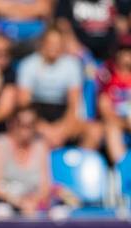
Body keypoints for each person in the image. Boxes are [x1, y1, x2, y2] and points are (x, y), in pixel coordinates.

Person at [16, 26, 101, 149]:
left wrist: (61, 130)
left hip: (63, 113)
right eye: (50, 43)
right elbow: (23, 103)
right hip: (36, 114)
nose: (53, 47)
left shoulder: (72, 65)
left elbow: (74, 104)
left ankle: (75, 164)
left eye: (58, 43)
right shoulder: (28, 65)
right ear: (42, 43)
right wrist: (45, 129)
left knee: (95, 131)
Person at [0, 106, 53, 217]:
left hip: (32, 204)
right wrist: (19, 202)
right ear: (11, 124)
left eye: (30, 125)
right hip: (5, 202)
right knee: (1, 213)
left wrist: (32, 202)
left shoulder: (41, 146)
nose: (25, 130)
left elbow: (45, 188)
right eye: (21, 124)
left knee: (58, 215)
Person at [98, 36, 131, 164]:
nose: (128, 56)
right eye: (125, 51)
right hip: (116, 122)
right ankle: (122, 172)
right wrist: (124, 123)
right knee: (111, 129)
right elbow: (104, 109)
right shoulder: (108, 77)